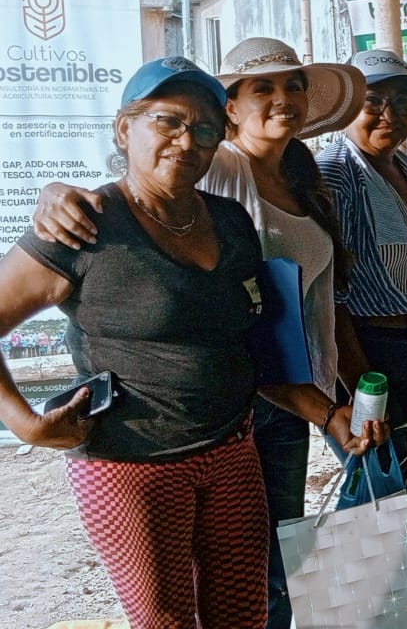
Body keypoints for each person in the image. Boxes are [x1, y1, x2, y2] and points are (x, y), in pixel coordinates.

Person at [1, 58, 380, 628]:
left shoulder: (230, 222)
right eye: (168, 121)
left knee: (244, 617)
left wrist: (329, 414)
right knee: (168, 623)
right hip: (131, 469)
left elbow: (255, 351)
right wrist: (24, 422)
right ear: (125, 129)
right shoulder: (86, 225)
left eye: (204, 128)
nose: (187, 140)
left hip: (232, 454)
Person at [315, 48, 407, 507]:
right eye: (374, 101)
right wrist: (363, 387)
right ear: (347, 109)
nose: (390, 115)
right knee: (377, 490)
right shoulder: (334, 175)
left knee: (398, 485)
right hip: (367, 352)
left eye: (403, 103)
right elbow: (328, 295)